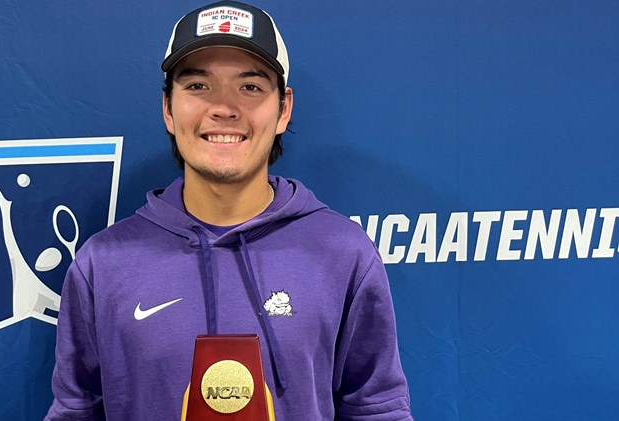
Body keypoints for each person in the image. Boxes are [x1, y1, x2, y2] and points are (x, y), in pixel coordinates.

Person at [46, 1, 412, 419]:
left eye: (250, 86)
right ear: (168, 108)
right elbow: (76, 411)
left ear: (284, 108)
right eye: (198, 86)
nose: (223, 107)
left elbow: (376, 409)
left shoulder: (343, 254)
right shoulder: (103, 264)